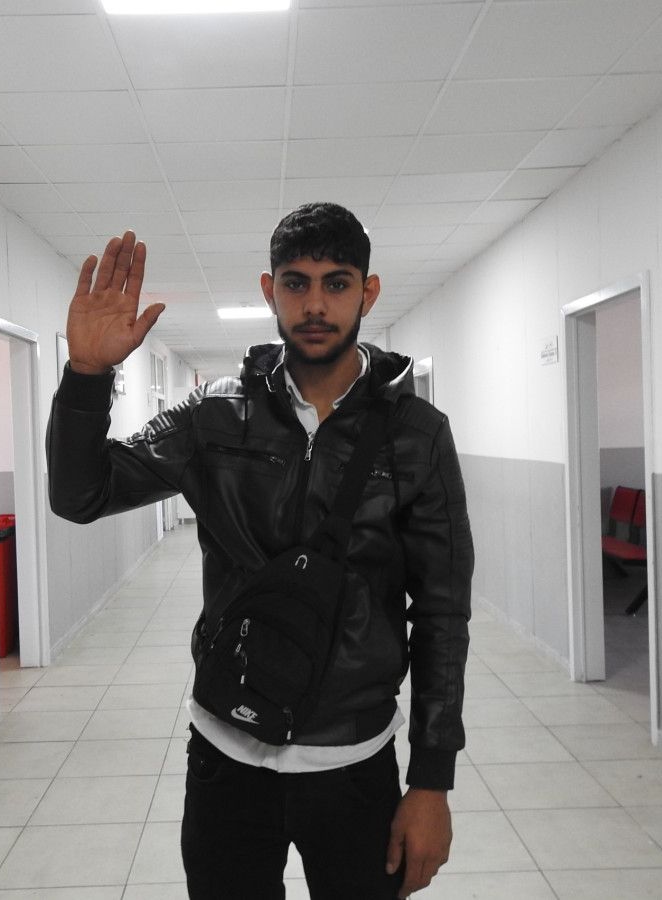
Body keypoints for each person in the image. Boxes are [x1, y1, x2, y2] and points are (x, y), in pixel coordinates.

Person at [47, 202, 473, 899]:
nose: (315, 304)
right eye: (296, 282)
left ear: (367, 293)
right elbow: (81, 494)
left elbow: (442, 614)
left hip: (354, 757)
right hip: (227, 757)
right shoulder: (215, 416)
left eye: (337, 283)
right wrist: (87, 376)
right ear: (269, 290)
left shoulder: (416, 435)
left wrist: (432, 782)